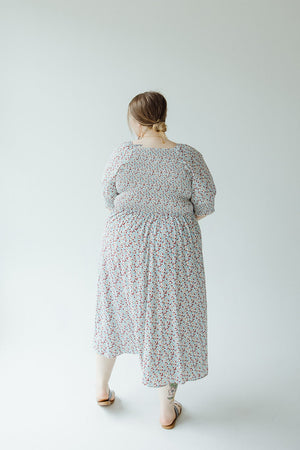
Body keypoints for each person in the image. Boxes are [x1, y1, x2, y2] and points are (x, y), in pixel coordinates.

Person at [93, 90, 217, 429]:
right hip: (174, 244)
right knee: (170, 319)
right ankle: (166, 409)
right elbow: (205, 203)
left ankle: (102, 389)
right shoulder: (188, 156)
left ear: (135, 121)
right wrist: (171, 219)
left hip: (124, 241)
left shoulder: (122, 154)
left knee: (115, 309)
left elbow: (107, 195)